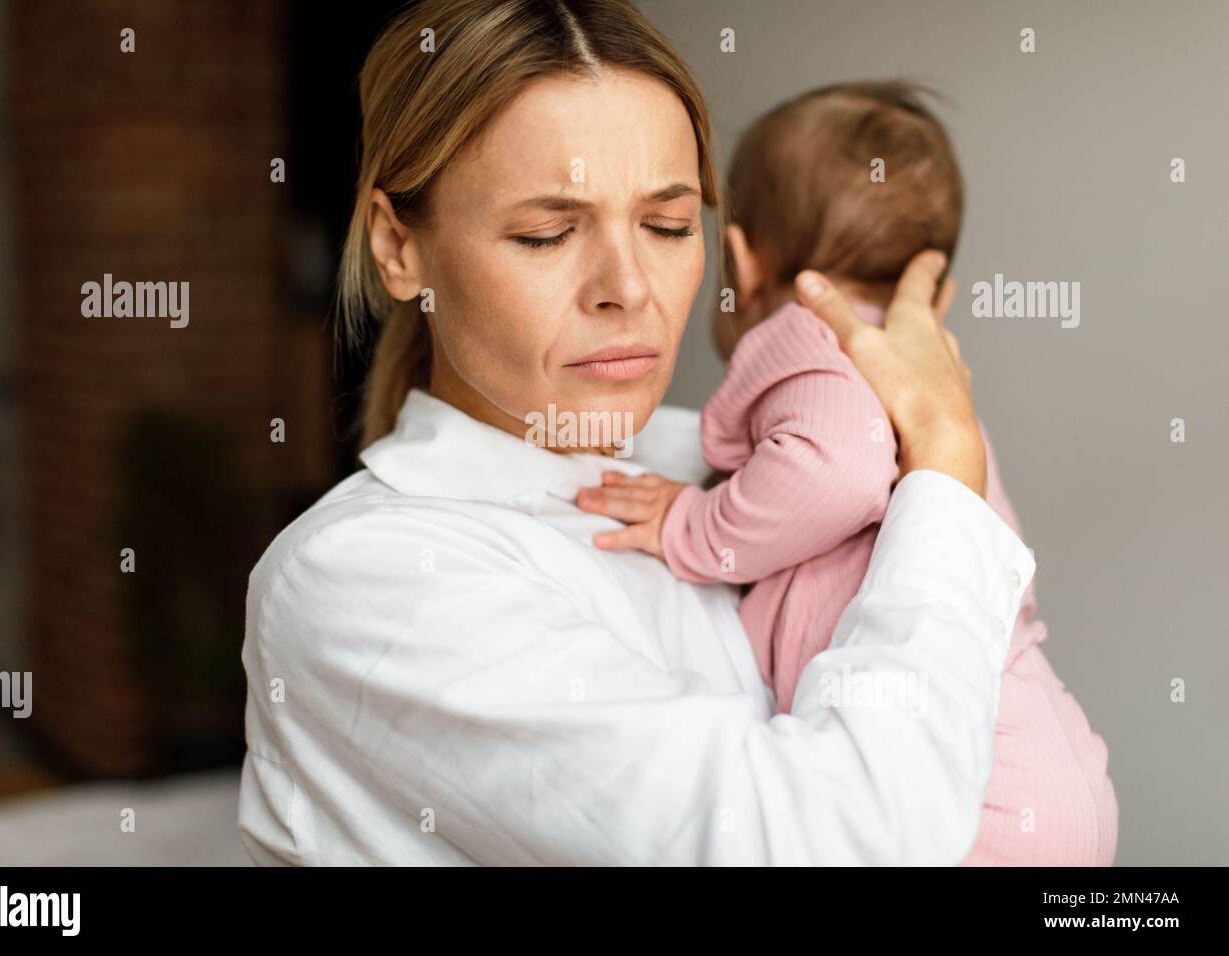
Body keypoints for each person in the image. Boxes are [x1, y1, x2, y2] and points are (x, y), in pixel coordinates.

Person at [238, 0, 1034, 865]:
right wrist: (948, 465)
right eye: (547, 233)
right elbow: (837, 843)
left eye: (666, 225)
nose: (628, 286)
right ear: (400, 249)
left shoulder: (769, 468)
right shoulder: (359, 579)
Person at [575, 81, 1117, 865]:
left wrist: (689, 525)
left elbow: (837, 473)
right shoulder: (922, 383)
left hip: (976, 798)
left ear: (741, 260)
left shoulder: (804, 332)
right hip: (1044, 762)